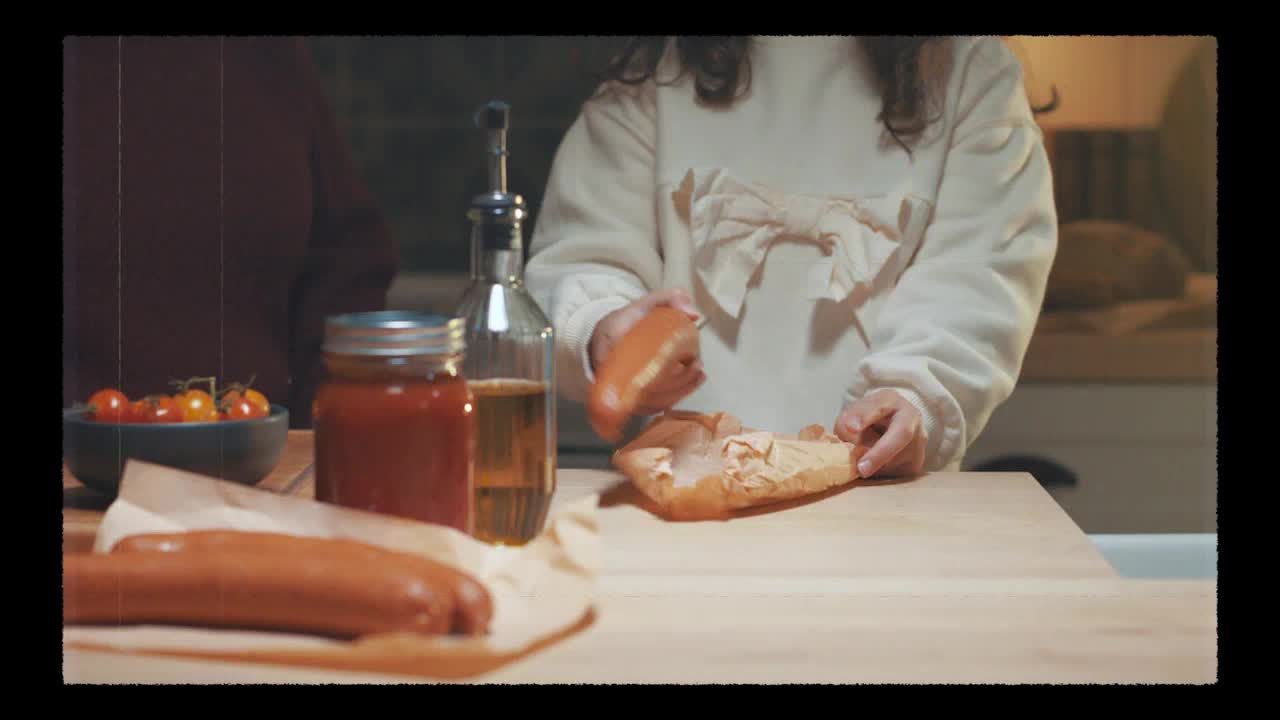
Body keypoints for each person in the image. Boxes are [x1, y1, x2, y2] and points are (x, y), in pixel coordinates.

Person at [525, 36, 1058, 477]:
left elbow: (979, 278)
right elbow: (584, 253)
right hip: (683, 497)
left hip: (886, 500)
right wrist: (602, 330)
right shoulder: (654, 73)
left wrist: (917, 395)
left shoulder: (973, 73)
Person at [63, 36, 398, 427]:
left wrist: (319, 441)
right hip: (79, 469)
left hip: (262, 468)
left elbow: (347, 265)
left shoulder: (266, 53)